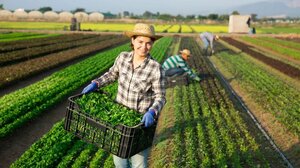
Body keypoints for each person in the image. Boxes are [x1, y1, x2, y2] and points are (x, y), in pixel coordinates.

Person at [81, 23, 166, 168]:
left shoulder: (155, 68)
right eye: (140, 42)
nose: (144, 47)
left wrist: (152, 111)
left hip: (139, 124)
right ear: (133, 40)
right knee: (119, 160)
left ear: (152, 44)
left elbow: (160, 97)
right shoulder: (122, 58)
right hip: (119, 120)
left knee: (139, 163)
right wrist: (96, 83)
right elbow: (112, 74)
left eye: (148, 43)